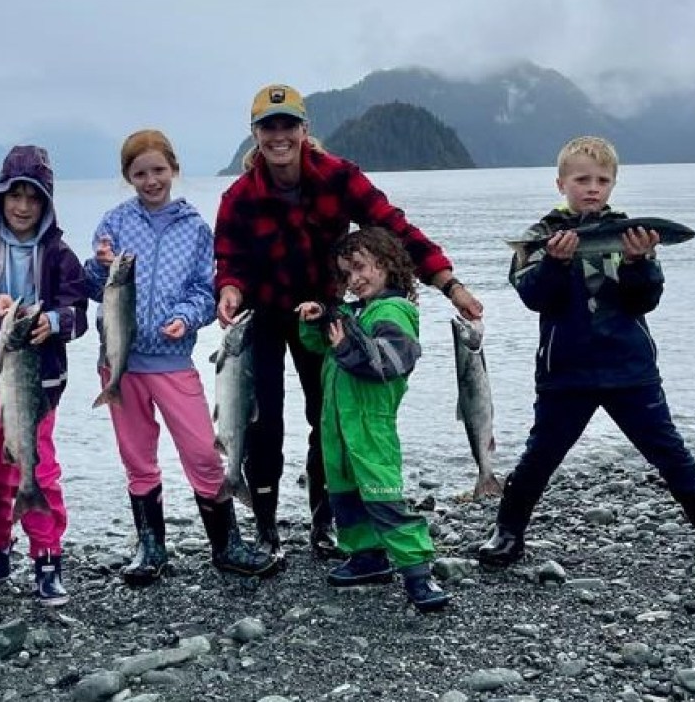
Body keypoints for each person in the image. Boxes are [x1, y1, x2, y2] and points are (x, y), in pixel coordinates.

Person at [214, 83, 483, 559]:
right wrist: (230, 289)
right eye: (268, 126)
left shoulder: (339, 177)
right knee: (263, 423)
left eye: (288, 125)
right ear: (255, 134)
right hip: (265, 316)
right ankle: (266, 527)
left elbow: (394, 228)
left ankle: (324, 525)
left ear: (304, 129)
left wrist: (449, 284)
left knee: (329, 418)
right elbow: (228, 259)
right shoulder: (238, 197)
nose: (279, 135)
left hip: (324, 315)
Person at [478, 136, 695, 576]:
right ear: (561, 184)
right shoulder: (540, 237)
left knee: (671, 454)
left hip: (631, 371)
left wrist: (639, 263)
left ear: (613, 184)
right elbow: (535, 298)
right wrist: (555, 263)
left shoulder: (634, 233)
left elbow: (644, 301)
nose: (592, 188)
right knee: (541, 456)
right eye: (582, 180)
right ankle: (508, 531)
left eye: (602, 180)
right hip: (566, 374)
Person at [83, 129, 279, 586]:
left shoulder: (195, 229)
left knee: (202, 450)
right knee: (137, 456)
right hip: (120, 363)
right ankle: (150, 547)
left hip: (171, 361)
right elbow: (94, 287)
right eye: (140, 173)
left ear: (173, 168)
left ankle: (226, 544)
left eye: (158, 170)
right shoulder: (113, 224)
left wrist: (186, 319)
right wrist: (98, 264)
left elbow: (203, 292)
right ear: (127, 177)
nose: (151, 181)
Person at [0, 144, 89, 606]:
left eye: (34, 197)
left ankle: (47, 557)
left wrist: (56, 322)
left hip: (37, 383)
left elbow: (79, 311)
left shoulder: (60, 254)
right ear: (0, 197)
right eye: (15, 195)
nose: (23, 206)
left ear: (46, 202)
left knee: (38, 467)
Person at [296, 227, 450, 611]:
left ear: (387, 264)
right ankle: (367, 557)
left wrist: (345, 343)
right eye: (347, 273)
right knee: (345, 496)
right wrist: (316, 321)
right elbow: (319, 345)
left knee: (383, 497)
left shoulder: (393, 310)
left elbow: (391, 362)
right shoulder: (354, 311)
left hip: (369, 424)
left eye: (361, 267)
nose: (355, 279)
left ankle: (418, 572)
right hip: (338, 426)